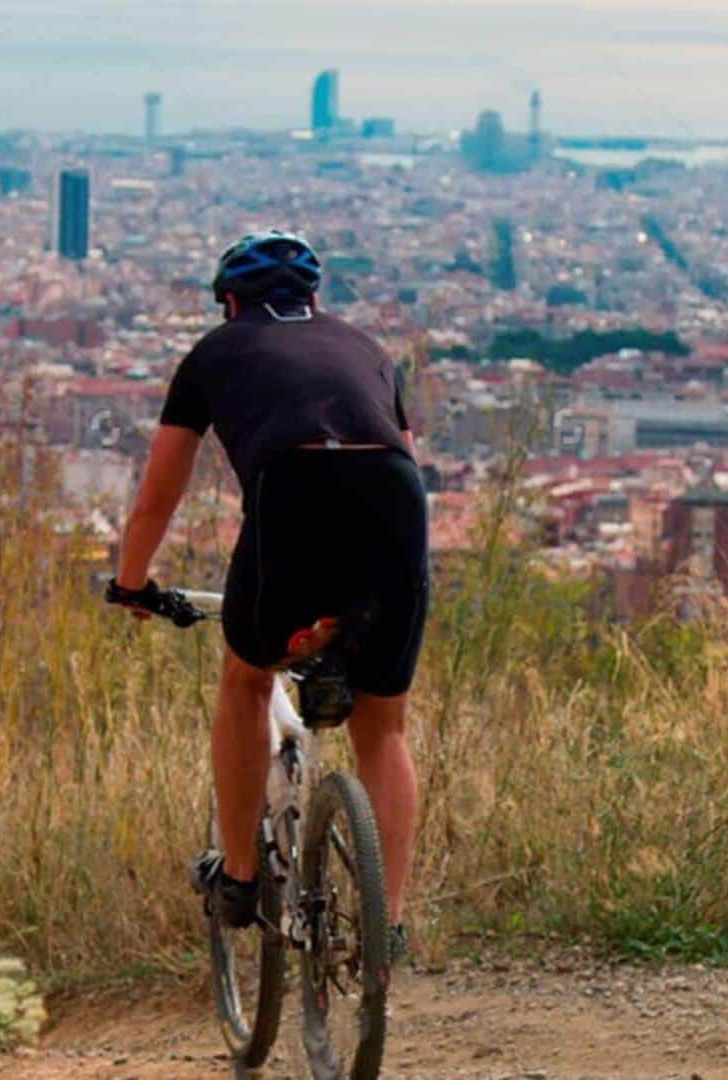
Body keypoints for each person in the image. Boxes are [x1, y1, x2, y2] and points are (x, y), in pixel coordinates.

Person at [107, 230, 427, 954]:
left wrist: (131, 584)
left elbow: (157, 498)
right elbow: (402, 457)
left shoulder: (214, 353)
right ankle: (390, 925)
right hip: (398, 501)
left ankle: (242, 879)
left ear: (229, 303)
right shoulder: (367, 349)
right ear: (314, 299)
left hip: (293, 494)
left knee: (246, 678)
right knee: (385, 724)